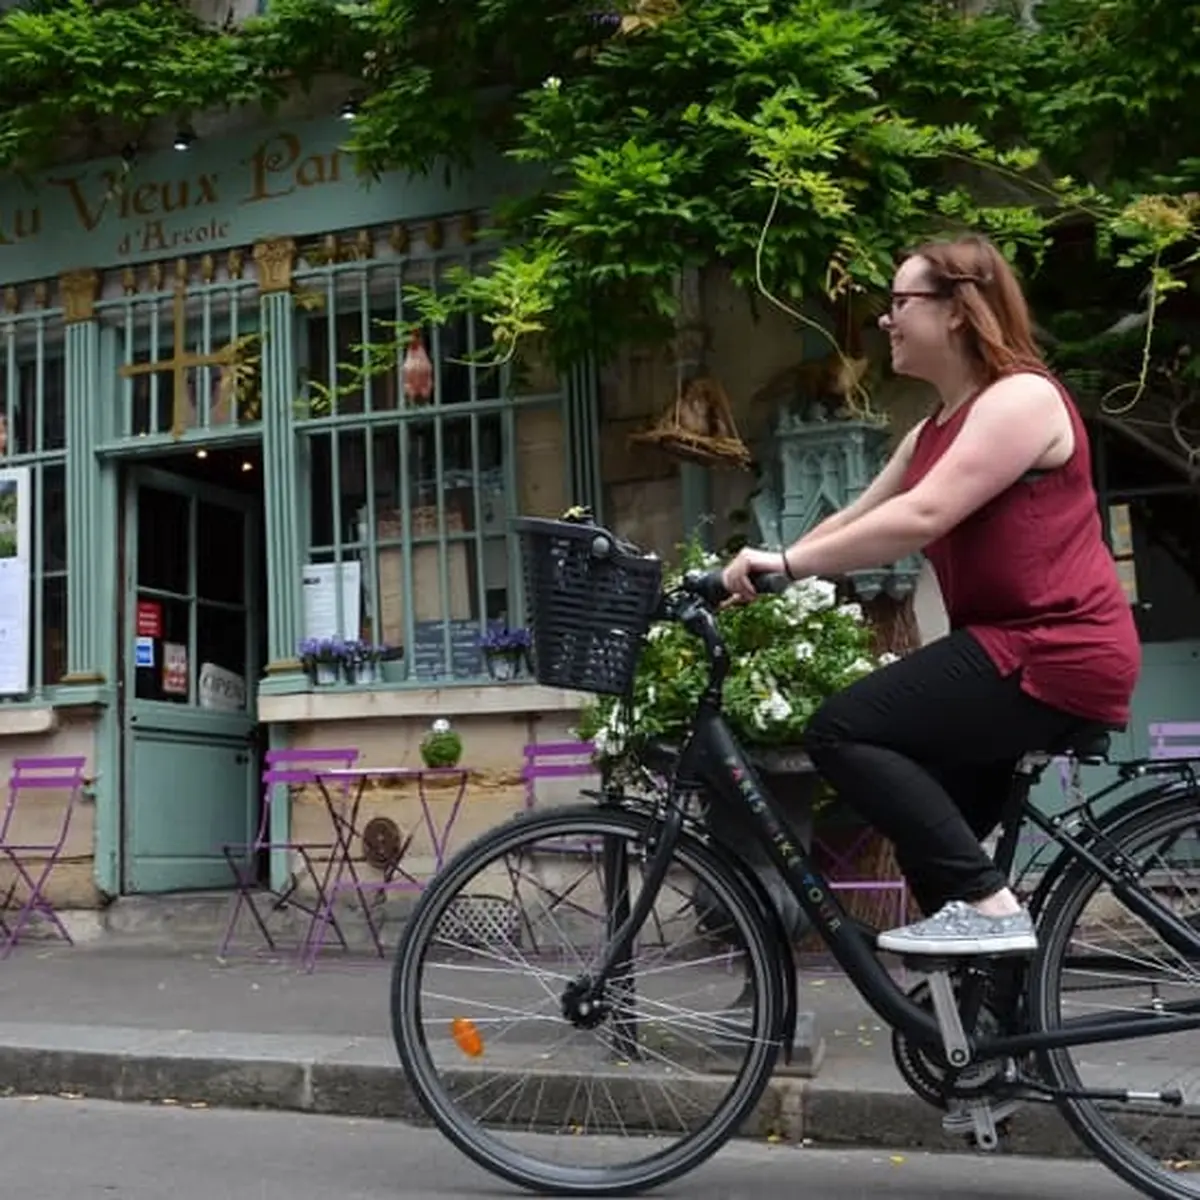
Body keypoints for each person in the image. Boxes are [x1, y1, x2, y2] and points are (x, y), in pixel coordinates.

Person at [721, 233, 1141, 957]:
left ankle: (991, 908)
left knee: (842, 729)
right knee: (930, 838)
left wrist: (785, 564)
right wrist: (755, 568)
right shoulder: (930, 432)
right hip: (1007, 651)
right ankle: (986, 1044)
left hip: (1054, 648)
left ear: (956, 310)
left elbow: (920, 518)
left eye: (898, 302)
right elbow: (857, 518)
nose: (885, 321)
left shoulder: (1023, 399)